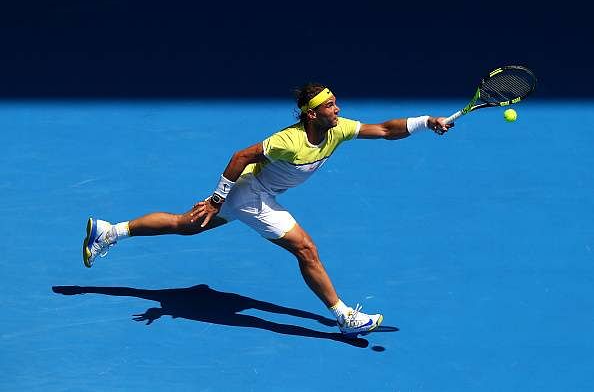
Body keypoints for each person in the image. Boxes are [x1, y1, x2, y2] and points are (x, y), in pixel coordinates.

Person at [82, 84, 452, 337]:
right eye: (330, 105)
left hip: (254, 192)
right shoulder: (288, 140)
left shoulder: (336, 130)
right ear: (311, 114)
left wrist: (426, 122)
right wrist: (216, 198)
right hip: (251, 194)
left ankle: (110, 231)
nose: (337, 109)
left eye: (336, 103)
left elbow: (385, 130)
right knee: (305, 248)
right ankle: (345, 317)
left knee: (185, 224)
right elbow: (241, 156)